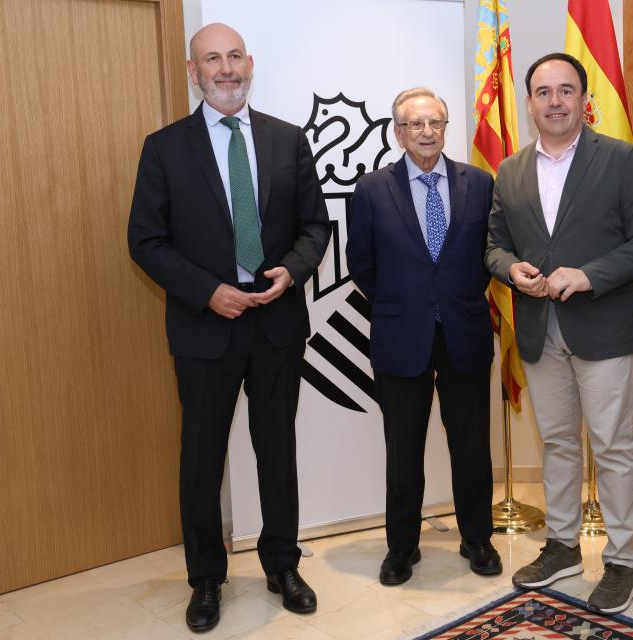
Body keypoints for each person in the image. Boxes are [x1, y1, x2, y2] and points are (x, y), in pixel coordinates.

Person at [127, 23, 331, 632]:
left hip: (276, 322)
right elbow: (145, 240)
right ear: (194, 73)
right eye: (212, 59)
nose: (226, 69)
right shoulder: (164, 148)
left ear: (250, 63)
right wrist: (207, 291)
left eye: (234, 56)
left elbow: (314, 227)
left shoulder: (287, 139)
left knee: (277, 451)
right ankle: (206, 579)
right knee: (201, 458)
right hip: (204, 327)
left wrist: (291, 272)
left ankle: (282, 565)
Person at [485, 53, 633, 613]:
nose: (555, 102)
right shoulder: (510, 170)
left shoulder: (619, 158)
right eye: (544, 92)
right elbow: (493, 244)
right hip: (538, 328)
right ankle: (562, 548)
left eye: (566, 90)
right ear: (530, 102)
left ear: (584, 99)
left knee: (612, 445)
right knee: (559, 442)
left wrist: (589, 275)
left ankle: (622, 562)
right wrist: (509, 269)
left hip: (602, 325)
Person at [346, 87, 501, 586]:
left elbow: (489, 254)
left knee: (472, 446)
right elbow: (361, 264)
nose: (427, 132)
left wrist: (454, 298)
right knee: (403, 450)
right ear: (398, 133)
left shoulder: (479, 183)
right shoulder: (372, 189)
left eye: (435, 122)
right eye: (415, 124)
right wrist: (406, 302)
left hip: (465, 332)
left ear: (445, 128)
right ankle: (401, 548)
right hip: (401, 335)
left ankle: (477, 538)